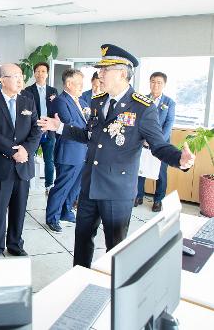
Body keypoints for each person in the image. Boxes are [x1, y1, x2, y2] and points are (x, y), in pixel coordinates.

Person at [37, 44, 195, 268]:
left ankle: (115, 292)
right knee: (82, 240)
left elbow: (158, 145)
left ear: (122, 73)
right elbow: (90, 135)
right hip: (90, 184)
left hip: (117, 189)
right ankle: (80, 279)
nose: (99, 74)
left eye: (104, 70)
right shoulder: (97, 100)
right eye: (100, 70)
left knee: (116, 246)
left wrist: (180, 159)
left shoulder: (143, 107)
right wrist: (60, 127)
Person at [0, 63, 42, 257]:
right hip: (1, 164)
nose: (20, 80)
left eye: (21, 76)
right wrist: (12, 151)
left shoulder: (28, 101)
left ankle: (15, 244)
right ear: (2, 80)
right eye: (15, 76)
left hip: (23, 164)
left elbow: (36, 129)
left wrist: (26, 150)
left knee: (19, 208)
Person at [44, 69, 88, 233]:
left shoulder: (82, 101)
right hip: (69, 151)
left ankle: (66, 211)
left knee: (76, 186)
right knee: (62, 186)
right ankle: (52, 218)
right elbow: (69, 124)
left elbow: (88, 121)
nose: (82, 87)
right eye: (79, 84)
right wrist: (88, 128)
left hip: (83, 150)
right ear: (69, 84)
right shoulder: (60, 101)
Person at [135, 72, 176, 212]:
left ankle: (158, 200)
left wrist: (156, 141)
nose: (155, 85)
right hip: (142, 142)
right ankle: (138, 196)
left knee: (161, 173)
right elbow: (136, 120)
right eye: (153, 81)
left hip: (161, 144)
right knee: (140, 170)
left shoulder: (169, 102)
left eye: (159, 82)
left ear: (164, 85)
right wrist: (143, 139)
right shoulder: (141, 100)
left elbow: (169, 124)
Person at [24, 62, 59, 193]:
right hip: (33, 129)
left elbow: (56, 110)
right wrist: (38, 124)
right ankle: (27, 183)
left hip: (49, 129)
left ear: (47, 73)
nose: (40, 74)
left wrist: (48, 124)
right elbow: (26, 111)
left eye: (43, 71)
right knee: (29, 157)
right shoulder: (27, 91)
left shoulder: (53, 91)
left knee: (49, 159)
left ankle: (49, 185)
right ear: (34, 73)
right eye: (38, 71)